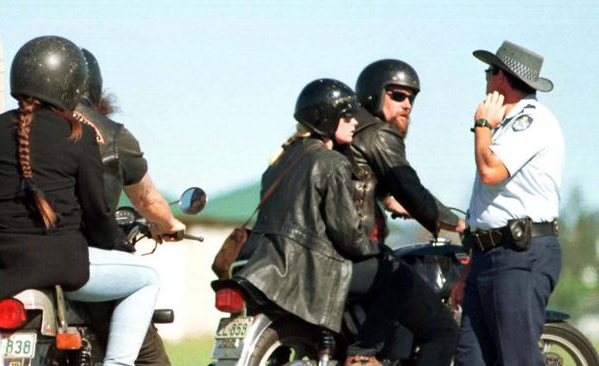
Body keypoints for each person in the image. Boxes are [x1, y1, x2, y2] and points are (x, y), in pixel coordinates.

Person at [0, 35, 160, 366]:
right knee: (146, 280)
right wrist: (117, 246)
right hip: (64, 267)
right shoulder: (78, 134)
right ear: (72, 87)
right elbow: (97, 215)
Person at [236, 78, 421, 366]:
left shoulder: (279, 162)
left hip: (267, 261)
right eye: (346, 116)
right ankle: (364, 353)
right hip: (309, 266)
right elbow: (347, 234)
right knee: (398, 276)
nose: (354, 122)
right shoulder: (332, 163)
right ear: (326, 119)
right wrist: (376, 249)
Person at [449, 41, 564, 366]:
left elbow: (490, 171)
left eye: (489, 71)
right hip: (490, 256)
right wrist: (467, 272)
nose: (486, 79)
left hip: (519, 254)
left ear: (501, 76)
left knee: (516, 359)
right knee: (471, 359)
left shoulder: (533, 121)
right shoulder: (507, 128)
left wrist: (482, 124)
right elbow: (490, 210)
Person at [341, 59, 463, 365]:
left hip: (334, 251)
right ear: (373, 93)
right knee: (442, 330)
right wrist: (455, 222)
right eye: (397, 95)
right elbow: (410, 187)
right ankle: (363, 354)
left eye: (411, 98)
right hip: (358, 252)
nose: (407, 104)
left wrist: (386, 199)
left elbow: (359, 181)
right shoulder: (379, 133)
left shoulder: (350, 131)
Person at [74, 48, 186, 366]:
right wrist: (169, 224)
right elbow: (148, 200)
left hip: (10, 259)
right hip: (85, 260)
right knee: (149, 352)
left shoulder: (22, 128)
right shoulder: (111, 135)